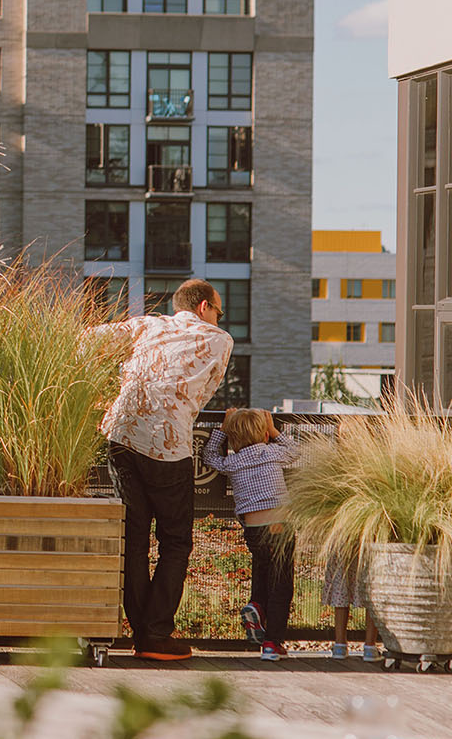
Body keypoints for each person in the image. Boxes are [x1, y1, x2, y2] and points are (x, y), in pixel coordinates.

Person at [86, 278, 232, 661]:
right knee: (176, 541)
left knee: (134, 537)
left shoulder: (148, 324)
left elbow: (86, 340)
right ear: (204, 307)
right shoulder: (219, 340)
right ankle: (154, 635)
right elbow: (204, 393)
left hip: (120, 433)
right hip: (167, 446)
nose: (219, 317)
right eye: (218, 310)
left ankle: (141, 630)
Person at [202, 407, 299, 661]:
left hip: (253, 531)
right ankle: (272, 643)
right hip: (280, 526)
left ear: (233, 439)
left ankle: (256, 605)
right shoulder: (271, 452)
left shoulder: (232, 462)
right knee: (282, 585)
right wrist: (275, 429)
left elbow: (210, 456)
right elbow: (295, 452)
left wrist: (221, 430)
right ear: (265, 435)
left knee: (262, 569)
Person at [321, 418, 381, 662]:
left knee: (340, 587)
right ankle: (369, 645)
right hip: (368, 532)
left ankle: (339, 644)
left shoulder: (334, 466)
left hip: (342, 532)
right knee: (370, 587)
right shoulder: (377, 465)